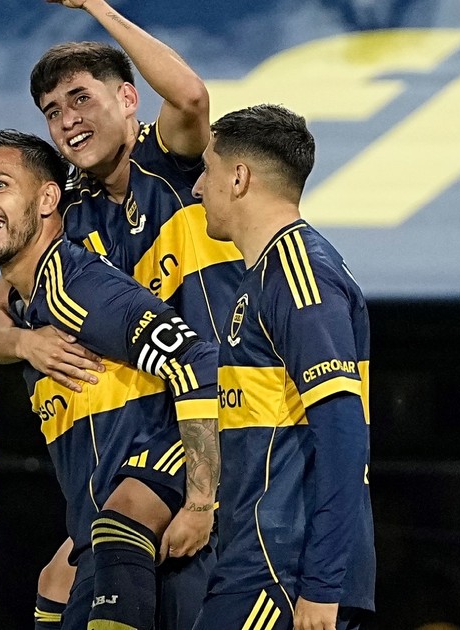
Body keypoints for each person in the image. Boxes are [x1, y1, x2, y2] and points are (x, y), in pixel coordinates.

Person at [0, 2, 245, 627]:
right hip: (151, 424)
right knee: (55, 582)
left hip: (219, 402)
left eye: (81, 98)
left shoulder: (172, 161)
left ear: (128, 98)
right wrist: (27, 345)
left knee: (122, 528)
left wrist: (98, 6)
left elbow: (190, 96)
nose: (67, 120)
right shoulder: (68, 212)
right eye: (52, 111)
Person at [0, 129, 220, 630]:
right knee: (52, 590)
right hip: (101, 533)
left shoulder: (77, 286)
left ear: (47, 200)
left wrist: (199, 499)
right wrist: (22, 343)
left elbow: (197, 362)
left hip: (163, 522)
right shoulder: (31, 305)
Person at [191, 104, 375, 630]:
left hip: (283, 574)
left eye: (206, 169)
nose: (198, 188)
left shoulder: (299, 276)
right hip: (260, 565)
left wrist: (321, 586)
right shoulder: (265, 276)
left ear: (239, 178)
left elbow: (343, 433)